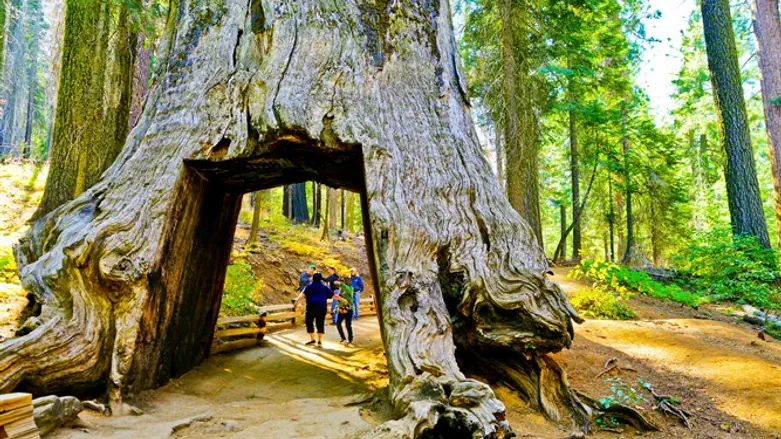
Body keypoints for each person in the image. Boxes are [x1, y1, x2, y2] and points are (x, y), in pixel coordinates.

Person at [294, 273, 348, 347]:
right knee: (320, 324)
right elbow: (333, 295)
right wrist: (342, 299)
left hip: (311, 308)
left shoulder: (309, 286)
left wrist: (297, 300)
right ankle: (319, 341)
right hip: (321, 308)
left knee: (309, 323)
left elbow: (302, 295)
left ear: (313, 278)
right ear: (320, 279)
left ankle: (313, 340)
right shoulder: (324, 287)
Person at [333, 279, 355, 346]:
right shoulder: (340, 291)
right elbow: (340, 301)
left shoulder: (350, 289)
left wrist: (341, 284)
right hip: (341, 310)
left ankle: (350, 340)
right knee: (338, 323)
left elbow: (347, 288)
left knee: (348, 325)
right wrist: (336, 308)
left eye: (342, 282)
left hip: (349, 310)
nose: (340, 284)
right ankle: (343, 338)